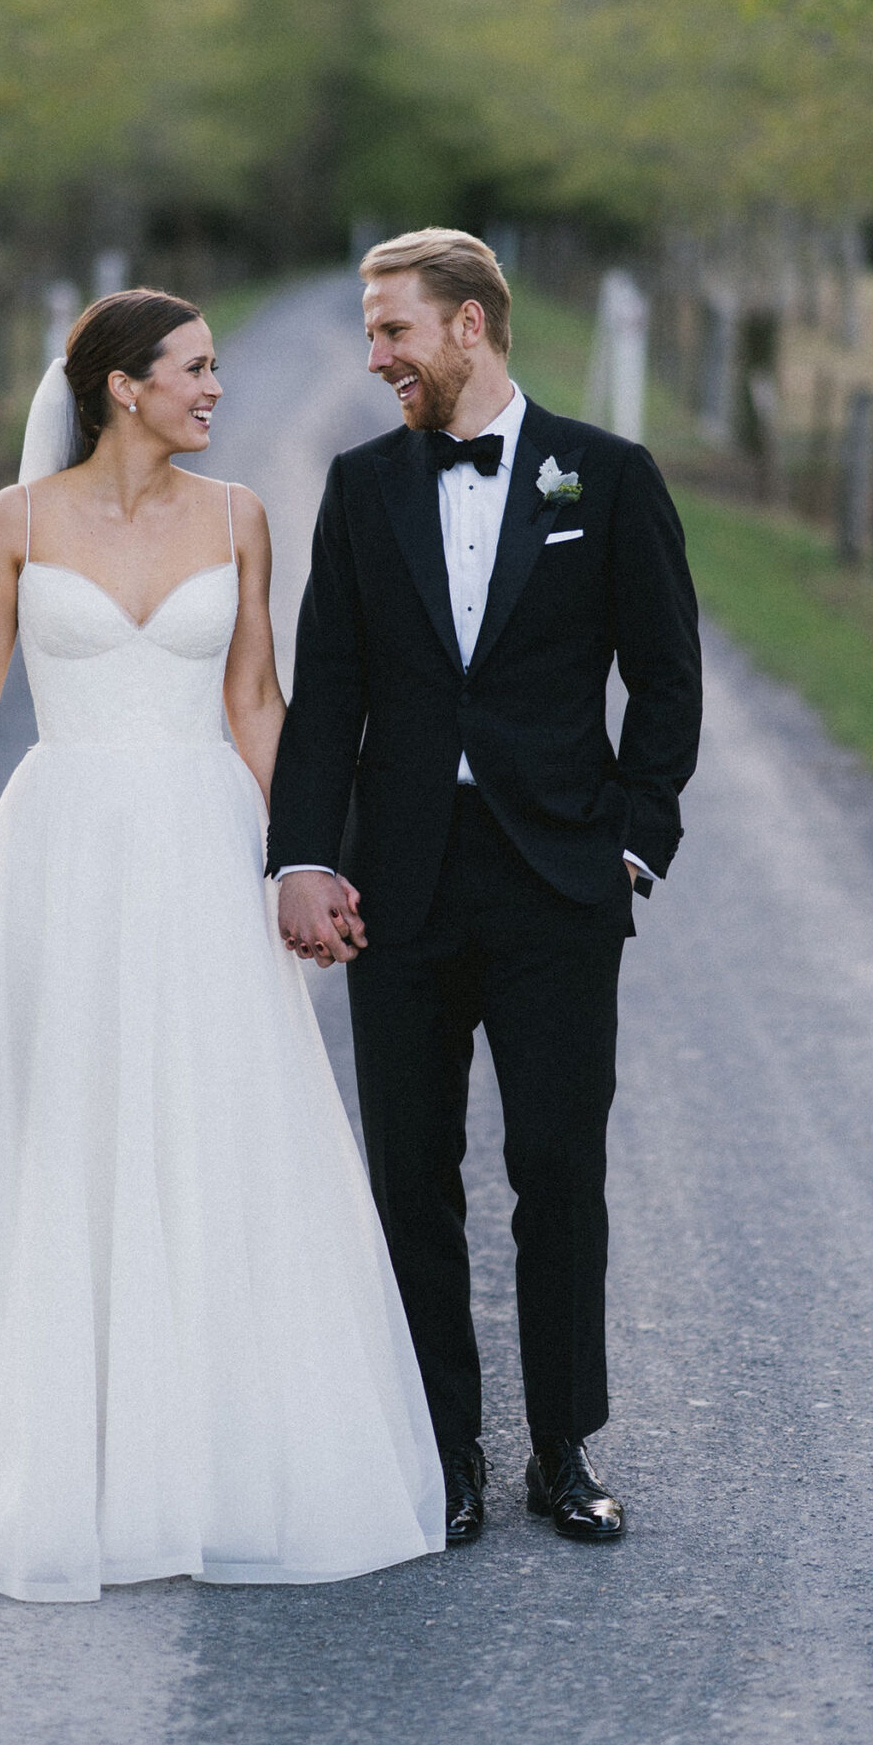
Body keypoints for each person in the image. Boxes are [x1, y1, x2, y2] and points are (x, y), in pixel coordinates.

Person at [0, 288, 444, 1601]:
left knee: (209, 1116)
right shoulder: (18, 522)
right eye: (196, 370)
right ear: (121, 387)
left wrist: (313, 857)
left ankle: (205, 1432)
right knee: (63, 1116)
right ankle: (56, 1427)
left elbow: (258, 698)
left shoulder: (239, 518)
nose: (217, 389)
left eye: (215, 368)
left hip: (205, 846)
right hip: (66, 848)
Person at [269, 230, 702, 1548]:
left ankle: (562, 1451)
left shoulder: (611, 479)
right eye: (370, 330)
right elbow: (328, 688)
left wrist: (633, 836)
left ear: (470, 326)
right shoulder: (359, 488)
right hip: (397, 885)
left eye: (395, 329)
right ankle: (439, 1450)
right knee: (413, 1171)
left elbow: (667, 672)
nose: (376, 354)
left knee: (558, 1164)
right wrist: (302, 855)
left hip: (557, 879)